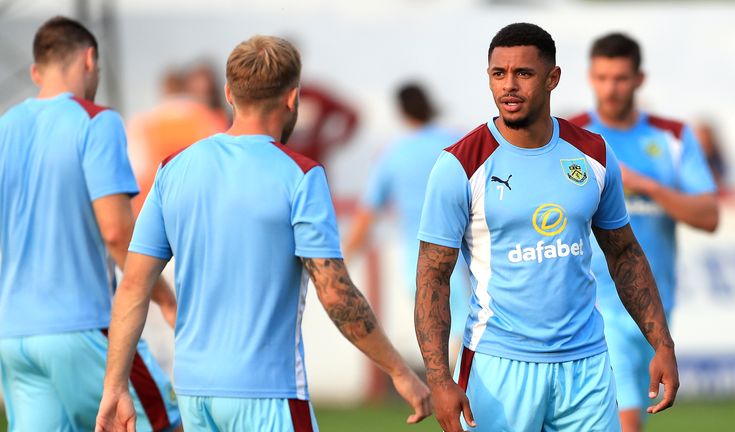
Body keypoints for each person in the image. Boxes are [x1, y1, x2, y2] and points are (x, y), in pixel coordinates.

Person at [95, 35, 430, 431]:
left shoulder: (174, 170)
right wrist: (399, 370)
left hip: (193, 393)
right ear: (293, 98)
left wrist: (114, 385)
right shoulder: (301, 175)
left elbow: (133, 285)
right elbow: (335, 291)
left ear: (228, 94)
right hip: (266, 392)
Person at [414, 23, 679, 432]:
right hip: (498, 366)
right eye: (498, 74)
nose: (509, 86)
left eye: (524, 73)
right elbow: (432, 277)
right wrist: (439, 378)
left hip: (586, 366)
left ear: (552, 78)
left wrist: (661, 343)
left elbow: (624, 253)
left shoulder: (592, 153)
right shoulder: (459, 165)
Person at [0, 16, 180, 431]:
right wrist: (166, 300)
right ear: (89, 60)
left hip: (15, 336)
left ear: (35, 72)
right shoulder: (97, 121)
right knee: (164, 424)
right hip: (84, 326)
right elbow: (117, 233)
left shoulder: (5, 127)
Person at [569, 32, 719, 432]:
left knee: (631, 415)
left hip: (654, 303)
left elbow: (708, 215)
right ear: (589, 77)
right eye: (601, 78)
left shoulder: (671, 137)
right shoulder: (572, 136)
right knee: (624, 419)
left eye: (619, 78)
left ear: (639, 79)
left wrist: (647, 185)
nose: (610, 88)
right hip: (594, 302)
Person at [345, 82, 471, 345]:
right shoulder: (457, 142)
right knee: (465, 328)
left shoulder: (394, 153)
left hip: (417, 259)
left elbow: (368, 212)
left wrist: (342, 261)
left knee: (435, 334)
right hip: (462, 254)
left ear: (401, 112)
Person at [127, 66, 228, 215]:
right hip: (198, 211)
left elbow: (134, 171)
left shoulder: (142, 123)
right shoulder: (210, 119)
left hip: (150, 211)